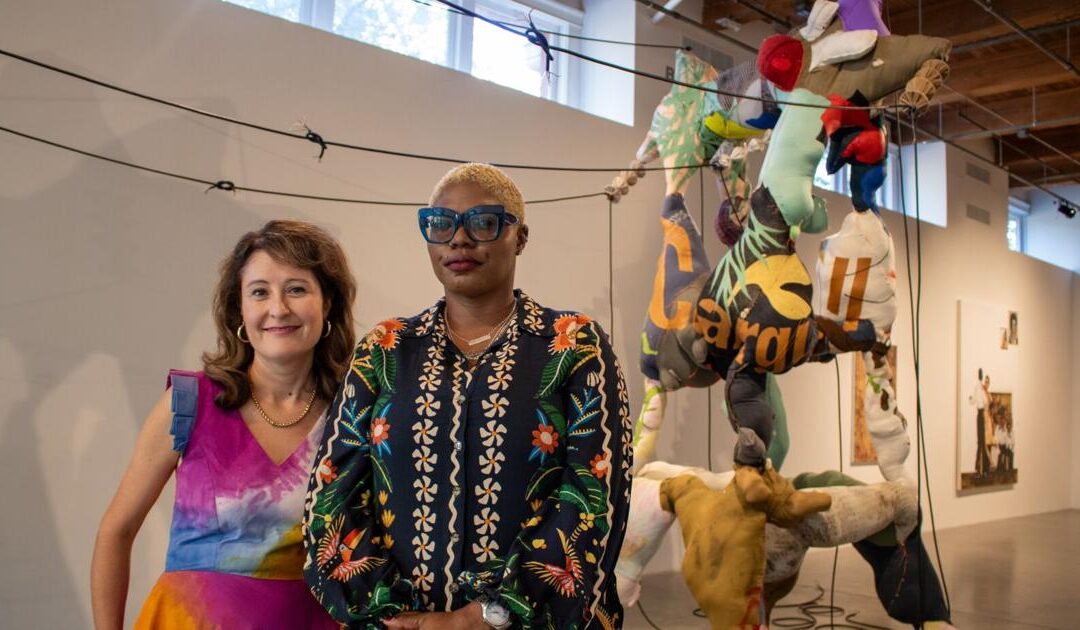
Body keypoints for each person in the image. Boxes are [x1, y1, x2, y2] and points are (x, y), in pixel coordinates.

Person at [304, 164, 633, 629]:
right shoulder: (386, 348)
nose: (459, 239)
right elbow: (332, 493)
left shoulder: (573, 345)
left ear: (519, 237)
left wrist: (486, 616)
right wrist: (391, 615)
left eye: (483, 222)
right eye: (440, 224)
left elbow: (595, 499)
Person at [91, 220, 356, 629]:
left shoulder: (355, 415)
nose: (278, 308)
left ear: (329, 305)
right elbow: (116, 531)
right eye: (259, 292)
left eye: (297, 289)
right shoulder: (188, 402)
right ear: (240, 310)